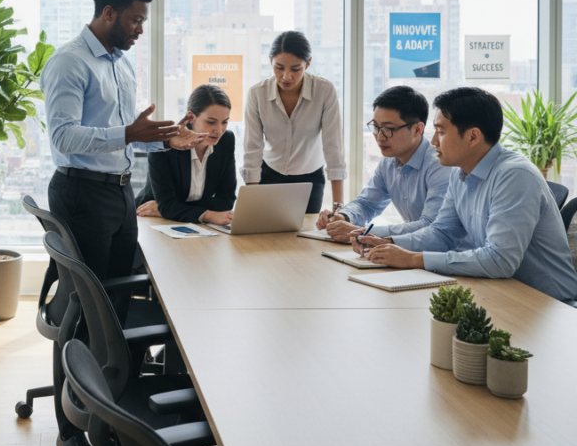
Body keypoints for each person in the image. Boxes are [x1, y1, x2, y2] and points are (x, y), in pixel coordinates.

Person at [40, 0, 201, 446]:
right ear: (108, 13)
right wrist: (128, 132)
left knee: (115, 309)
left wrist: (160, 140)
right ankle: (69, 435)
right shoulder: (69, 61)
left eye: (143, 21)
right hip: (82, 195)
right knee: (84, 313)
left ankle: (109, 416)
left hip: (118, 194)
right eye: (134, 19)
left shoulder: (121, 64)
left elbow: (122, 137)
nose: (139, 29)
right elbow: (65, 136)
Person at [352, 87, 577, 303]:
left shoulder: (514, 176)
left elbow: (500, 261)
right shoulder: (460, 173)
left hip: (549, 303)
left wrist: (413, 259)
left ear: (472, 137)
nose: (433, 141)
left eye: (440, 132)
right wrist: (388, 244)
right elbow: (442, 234)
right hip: (499, 291)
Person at [316, 85, 457, 245]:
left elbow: (431, 226)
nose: (379, 137)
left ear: (417, 129)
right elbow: (367, 204)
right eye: (376, 127)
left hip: (450, 258)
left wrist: (363, 233)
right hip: (413, 251)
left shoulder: (440, 165)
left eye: (389, 129)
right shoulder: (389, 161)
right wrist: (343, 217)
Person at [242, 31, 346, 215]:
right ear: (270, 61)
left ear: (308, 63)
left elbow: (333, 148)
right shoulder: (257, 94)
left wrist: (339, 207)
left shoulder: (324, 91)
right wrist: (251, 202)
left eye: (296, 69)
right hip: (269, 175)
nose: (286, 76)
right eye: (279, 67)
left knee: (303, 238)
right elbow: (253, 149)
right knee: (263, 238)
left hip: (310, 179)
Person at [136, 84, 237, 226]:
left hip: (179, 219)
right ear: (191, 117)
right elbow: (167, 205)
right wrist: (207, 214)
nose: (219, 130)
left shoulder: (226, 140)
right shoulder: (165, 143)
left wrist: (171, 208)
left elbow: (226, 201)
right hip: (150, 219)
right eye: (211, 122)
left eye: (225, 122)